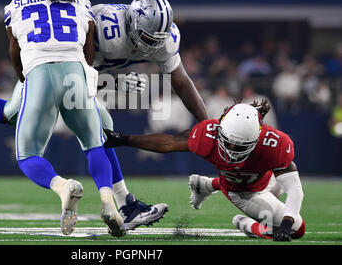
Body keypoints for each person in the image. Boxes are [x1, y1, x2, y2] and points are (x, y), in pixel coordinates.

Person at [0, 0, 208, 231]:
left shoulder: (163, 36)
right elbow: (86, 57)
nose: (151, 45)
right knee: (99, 129)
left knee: (15, 112)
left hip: (55, 68)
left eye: (157, 39)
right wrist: (92, 87)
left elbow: (180, 79)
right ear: (131, 22)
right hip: (68, 66)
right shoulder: (104, 24)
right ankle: (126, 205)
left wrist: (205, 122)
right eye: (146, 37)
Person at [103, 100, 306, 241]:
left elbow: (294, 187)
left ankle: (208, 185)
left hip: (266, 179)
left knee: (292, 225)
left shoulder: (274, 144)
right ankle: (245, 222)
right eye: (229, 143)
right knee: (300, 230)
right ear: (221, 130)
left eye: (240, 146)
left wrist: (286, 224)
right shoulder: (208, 133)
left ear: (257, 137)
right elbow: (169, 143)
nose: (232, 151)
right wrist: (124, 140)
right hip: (243, 191)